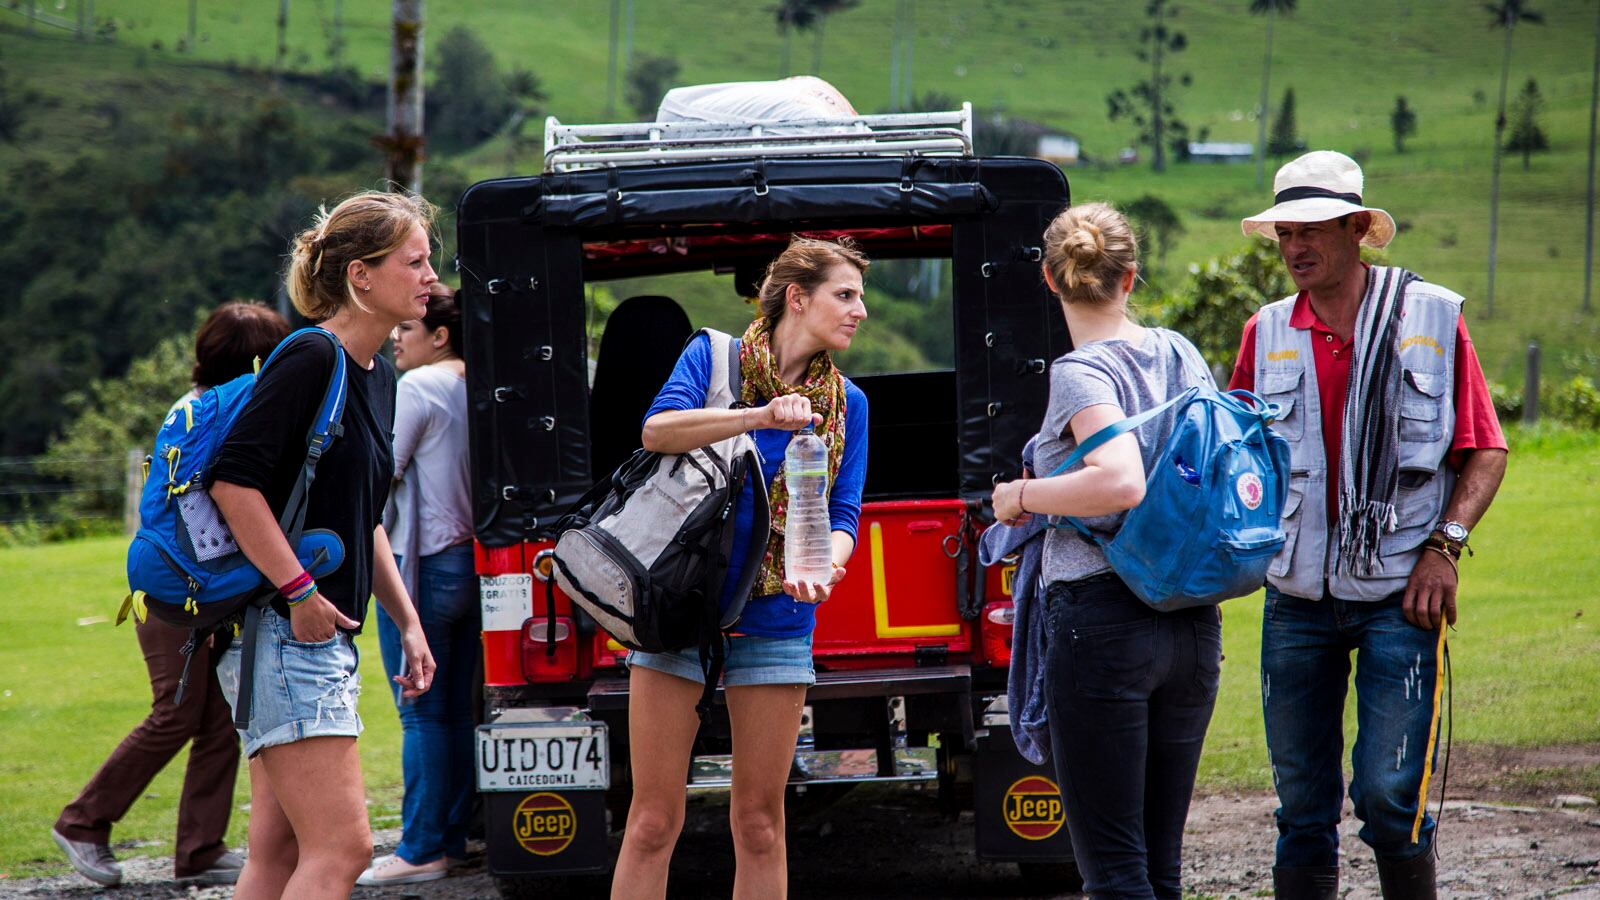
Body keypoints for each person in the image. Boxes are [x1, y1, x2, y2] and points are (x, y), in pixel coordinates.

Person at [1228, 151, 1508, 899]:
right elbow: (1238, 464)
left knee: (1390, 800)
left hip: (1400, 595)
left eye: (1312, 230)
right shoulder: (1265, 331)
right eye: (1284, 232)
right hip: (1293, 596)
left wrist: (1444, 549)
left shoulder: (1432, 318)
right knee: (1302, 810)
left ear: (1359, 229)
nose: (1294, 248)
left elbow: (1484, 450)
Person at [610, 237, 871, 900]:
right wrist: (757, 417)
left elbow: (844, 516)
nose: (860, 310)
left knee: (759, 824)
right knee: (650, 822)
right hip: (678, 607)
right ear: (797, 297)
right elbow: (656, 431)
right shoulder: (714, 357)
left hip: (778, 616)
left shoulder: (851, 406)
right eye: (846, 294)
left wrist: (828, 568)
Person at [209, 191, 439, 900]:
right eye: (416, 261)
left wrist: (408, 621)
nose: (433, 276)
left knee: (277, 856)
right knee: (343, 850)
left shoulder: (380, 374)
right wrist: (300, 592)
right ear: (360, 277)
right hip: (286, 636)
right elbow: (233, 484)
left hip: (309, 639)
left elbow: (360, 513)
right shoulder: (310, 355)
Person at [990, 202, 1220, 899]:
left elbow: (1119, 480)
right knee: (1161, 870)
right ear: (1132, 278)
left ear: (1050, 279)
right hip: (1190, 622)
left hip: (1103, 621)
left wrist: (1021, 498)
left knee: (1115, 875)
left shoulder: (1081, 372)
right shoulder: (1181, 352)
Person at [51, 301, 291, 888]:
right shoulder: (229, 411)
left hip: (188, 582)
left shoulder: (195, 408)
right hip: (180, 590)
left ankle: (201, 849)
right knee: (176, 713)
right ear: (257, 362)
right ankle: (82, 822)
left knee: (216, 720)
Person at [358, 284, 477, 886]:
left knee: (420, 714)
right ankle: (451, 837)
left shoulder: (420, 387)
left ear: (440, 335)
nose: (396, 338)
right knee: (456, 712)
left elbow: (383, 472)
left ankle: (421, 848)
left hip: (418, 567)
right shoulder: (474, 385)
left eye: (408, 330)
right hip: (467, 565)